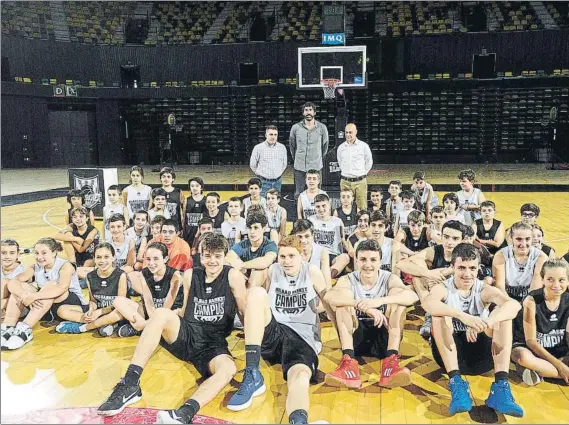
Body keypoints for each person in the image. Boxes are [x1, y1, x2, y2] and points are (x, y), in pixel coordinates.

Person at [97, 234, 247, 423]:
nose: (212, 261)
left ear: (224, 256)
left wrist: (252, 349)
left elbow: (243, 311)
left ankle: (185, 412)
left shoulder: (232, 276)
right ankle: (130, 383)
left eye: (217, 256)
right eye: (208, 255)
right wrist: (157, 323)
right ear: (200, 255)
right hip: (188, 334)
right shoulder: (192, 275)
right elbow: (185, 310)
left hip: (213, 344)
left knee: (228, 368)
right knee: (160, 314)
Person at [227, 236, 329, 425]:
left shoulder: (312, 272)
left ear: (302, 256)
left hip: (301, 337)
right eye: (282, 256)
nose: (287, 261)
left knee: (300, 377)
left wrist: (347, 350)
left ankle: (298, 420)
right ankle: (252, 373)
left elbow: (329, 304)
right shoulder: (273, 271)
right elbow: (256, 304)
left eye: (291, 256)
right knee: (257, 294)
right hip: (275, 333)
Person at [422, 243, 524, 417]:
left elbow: (513, 305)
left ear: (478, 269)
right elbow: (428, 303)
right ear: (452, 267)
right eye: (461, 267)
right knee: (439, 314)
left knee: (503, 316)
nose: (467, 274)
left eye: (472, 268)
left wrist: (486, 321)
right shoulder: (443, 288)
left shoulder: (483, 290)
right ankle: (456, 383)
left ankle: (501, 386)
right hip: (450, 357)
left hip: (482, 357)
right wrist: (463, 317)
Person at [324, 239, 418, 389]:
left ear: (380, 262)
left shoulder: (388, 278)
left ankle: (391, 362)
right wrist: (363, 307)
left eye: (373, 260)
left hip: (384, 338)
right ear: (356, 261)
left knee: (399, 304)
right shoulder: (348, 279)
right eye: (363, 260)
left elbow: (413, 297)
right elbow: (329, 297)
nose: (368, 265)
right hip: (356, 338)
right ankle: (348, 363)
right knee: (343, 305)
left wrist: (378, 301)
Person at [1, 238, 87, 350]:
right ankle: (8, 326)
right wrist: (24, 295)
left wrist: (34, 296)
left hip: (68, 303)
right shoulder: (35, 266)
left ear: (54, 252)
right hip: (44, 305)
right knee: (19, 287)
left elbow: (62, 288)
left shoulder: (65, 266)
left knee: (50, 285)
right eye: (36, 253)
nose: (39, 257)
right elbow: (13, 282)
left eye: (44, 253)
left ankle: (24, 329)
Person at [397, 220, 466, 339]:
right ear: (441, 236)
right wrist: (428, 273)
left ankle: (431, 314)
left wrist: (442, 275)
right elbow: (401, 264)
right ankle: (430, 312)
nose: (449, 242)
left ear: (462, 240)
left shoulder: (466, 253)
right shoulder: (434, 251)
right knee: (417, 271)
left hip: (458, 293)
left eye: (455, 239)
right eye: (446, 237)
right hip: (432, 292)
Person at [511, 259, 569, 386]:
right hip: (531, 349)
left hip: (558, 350)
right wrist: (560, 366)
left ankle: (540, 372)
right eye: (550, 279)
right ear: (542, 280)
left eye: (561, 280)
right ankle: (556, 374)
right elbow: (531, 342)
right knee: (522, 357)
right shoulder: (531, 301)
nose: (556, 284)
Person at [55, 243, 127, 336]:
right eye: (98, 257)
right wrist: (91, 311)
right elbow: (93, 301)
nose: (102, 260)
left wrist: (99, 312)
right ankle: (101, 324)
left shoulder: (120, 275)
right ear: (94, 259)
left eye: (106, 257)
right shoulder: (90, 276)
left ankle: (82, 327)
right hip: (98, 310)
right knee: (62, 310)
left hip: (113, 310)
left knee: (118, 314)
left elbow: (122, 304)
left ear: (113, 258)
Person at [114, 242, 184, 338]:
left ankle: (141, 327)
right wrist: (151, 320)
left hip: (169, 315)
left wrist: (147, 323)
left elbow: (166, 308)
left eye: (156, 259)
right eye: (148, 259)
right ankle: (147, 328)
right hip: (150, 313)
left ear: (165, 259)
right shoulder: (144, 273)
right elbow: (148, 301)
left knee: (173, 314)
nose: (151, 263)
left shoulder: (175, 276)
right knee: (118, 301)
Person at [492, 221, 548, 303]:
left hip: (531, 299)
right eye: (519, 239)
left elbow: (535, 289)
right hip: (506, 297)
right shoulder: (500, 255)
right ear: (511, 238)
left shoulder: (541, 257)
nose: (523, 244)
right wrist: (511, 305)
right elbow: (500, 287)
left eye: (527, 239)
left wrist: (525, 306)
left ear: (532, 238)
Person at [289, 102, 329, 200]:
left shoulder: (322, 128)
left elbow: (325, 146)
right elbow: (292, 146)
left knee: (317, 194)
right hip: (299, 167)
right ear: (303, 113)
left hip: (316, 166)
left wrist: (317, 158)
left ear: (314, 112)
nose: (308, 112)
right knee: (299, 194)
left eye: (310, 110)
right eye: (306, 110)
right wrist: (297, 158)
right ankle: (299, 214)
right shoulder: (295, 128)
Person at [225, 212, 278, 283]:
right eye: (249, 228)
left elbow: (265, 262)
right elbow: (228, 258)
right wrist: (238, 272)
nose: (252, 232)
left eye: (256, 228)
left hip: (265, 284)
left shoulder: (270, 245)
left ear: (264, 229)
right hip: (245, 279)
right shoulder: (242, 245)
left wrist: (241, 265)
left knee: (259, 271)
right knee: (230, 268)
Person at [337, 123, 373, 210]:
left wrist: (362, 174)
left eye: (350, 132)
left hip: (360, 182)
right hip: (345, 182)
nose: (348, 135)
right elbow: (340, 162)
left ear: (356, 132)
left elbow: (369, 162)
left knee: (362, 208)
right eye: (346, 132)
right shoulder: (341, 148)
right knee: (345, 207)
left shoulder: (363, 146)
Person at [250, 124, 288, 197]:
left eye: (275, 135)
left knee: (275, 204)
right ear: (266, 135)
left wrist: (277, 174)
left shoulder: (282, 147)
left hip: (278, 182)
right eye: (271, 134)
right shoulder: (258, 148)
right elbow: (252, 165)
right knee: (263, 204)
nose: (273, 137)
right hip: (263, 182)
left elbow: (284, 164)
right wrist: (261, 175)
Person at [290, 219, 331, 285]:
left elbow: (327, 280)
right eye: (299, 237)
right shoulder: (290, 252)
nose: (303, 240)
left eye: (307, 236)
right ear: (294, 236)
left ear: (313, 235)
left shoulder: (322, 251)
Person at [1, 239, 28, 315]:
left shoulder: (24, 271)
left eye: (12, 253)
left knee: (5, 281)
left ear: (18, 254)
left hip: (17, 306)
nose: (7, 256)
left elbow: (22, 297)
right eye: (3, 253)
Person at [159, 167, 185, 233]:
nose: (166, 179)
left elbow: (183, 211)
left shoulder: (179, 192)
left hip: (175, 225)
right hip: (160, 225)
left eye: (168, 177)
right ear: (160, 178)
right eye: (164, 176)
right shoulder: (156, 191)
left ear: (173, 179)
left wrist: (182, 226)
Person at [183, 177, 206, 248]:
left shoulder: (206, 200)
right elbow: (183, 217)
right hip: (189, 231)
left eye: (197, 185)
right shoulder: (187, 200)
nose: (194, 188)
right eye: (192, 186)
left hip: (201, 231)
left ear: (201, 187)